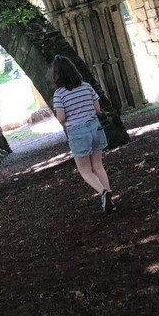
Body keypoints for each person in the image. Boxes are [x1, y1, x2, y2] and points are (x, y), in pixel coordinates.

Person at [51, 55, 115, 213]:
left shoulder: (59, 94)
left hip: (78, 132)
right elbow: (98, 109)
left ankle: (103, 193)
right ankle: (109, 201)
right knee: (98, 166)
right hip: (95, 127)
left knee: (85, 170)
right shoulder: (86, 86)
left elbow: (61, 117)